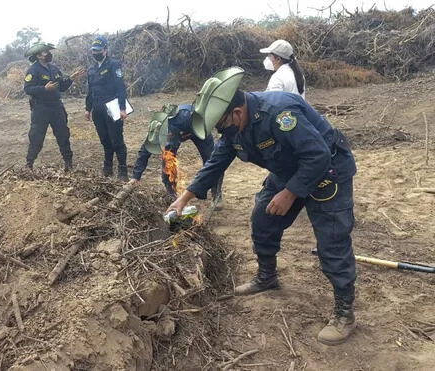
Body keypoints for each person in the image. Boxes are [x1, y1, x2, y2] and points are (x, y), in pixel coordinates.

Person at [167, 67, 358, 345]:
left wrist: (290, 193)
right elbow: (215, 164)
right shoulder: (234, 130)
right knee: (262, 219)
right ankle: (267, 277)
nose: (221, 133)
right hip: (288, 170)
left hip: (328, 168)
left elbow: (317, 156)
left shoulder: (279, 114)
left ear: (237, 113)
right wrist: (185, 198)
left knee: (332, 241)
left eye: (221, 126)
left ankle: (344, 314)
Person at [129, 103, 223, 203]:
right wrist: (136, 176)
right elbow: (144, 151)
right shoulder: (156, 129)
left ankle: (216, 193)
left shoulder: (187, 117)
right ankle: (172, 194)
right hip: (177, 135)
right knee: (168, 161)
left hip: (197, 129)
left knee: (211, 160)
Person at [23, 42, 84, 171]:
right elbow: (28, 89)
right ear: (39, 56)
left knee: (63, 136)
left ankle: (68, 163)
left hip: (56, 108)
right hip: (41, 109)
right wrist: (44, 89)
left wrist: (71, 79)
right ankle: (29, 164)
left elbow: (61, 87)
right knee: (36, 138)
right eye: (46, 52)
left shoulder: (54, 68)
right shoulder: (32, 70)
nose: (49, 54)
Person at [85, 36, 129, 181]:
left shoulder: (113, 65)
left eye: (98, 50)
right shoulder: (91, 69)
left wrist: (122, 108)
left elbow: (121, 88)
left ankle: (122, 170)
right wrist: (88, 108)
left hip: (112, 106)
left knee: (116, 139)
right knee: (104, 139)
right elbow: (90, 91)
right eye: (93, 50)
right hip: (97, 108)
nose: (95, 53)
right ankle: (108, 166)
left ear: (105, 50)